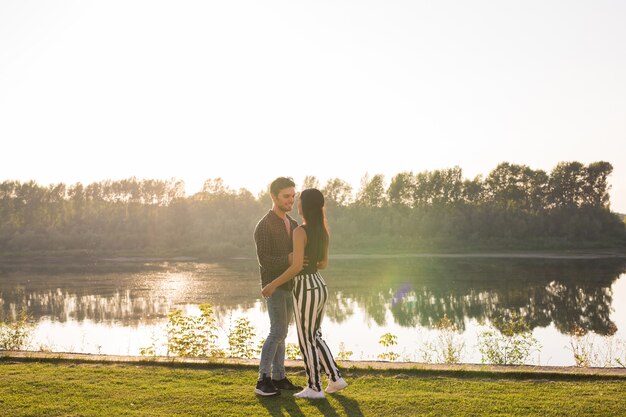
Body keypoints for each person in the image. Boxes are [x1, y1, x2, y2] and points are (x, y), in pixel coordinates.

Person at [261, 188, 348, 399]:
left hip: (305, 287)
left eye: (298, 200)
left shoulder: (300, 231)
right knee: (315, 336)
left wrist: (271, 285)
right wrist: (306, 261)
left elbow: (295, 267)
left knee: (306, 339)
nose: (296, 203)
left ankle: (314, 387)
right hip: (319, 284)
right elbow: (323, 264)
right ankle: (335, 379)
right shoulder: (323, 231)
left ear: (304, 206)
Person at [253, 177, 303, 396]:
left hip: (290, 286)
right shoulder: (264, 225)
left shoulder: (292, 224)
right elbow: (265, 260)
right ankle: (262, 380)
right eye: (286, 196)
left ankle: (279, 377)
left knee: (283, 332)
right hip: (273, 287)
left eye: (293, 196)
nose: (291, 200)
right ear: (273, 197)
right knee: (278, 331)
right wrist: (291, 257)